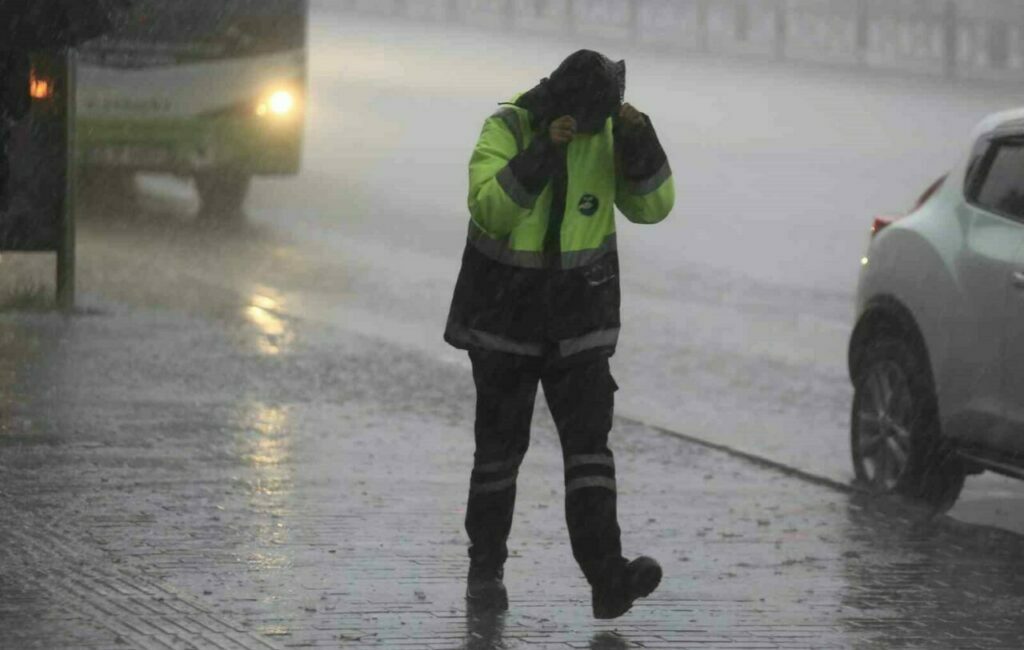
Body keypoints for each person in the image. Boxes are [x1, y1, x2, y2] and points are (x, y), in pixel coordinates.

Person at [444, 49, 675, 619]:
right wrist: (544, 149)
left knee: (590, 454)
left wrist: (639, 138)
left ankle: (608, 579)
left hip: (579, 327)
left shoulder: (605, 135)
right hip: (505, 325)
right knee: (499, 454)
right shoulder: (508, 126)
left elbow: (654, 206)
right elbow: (491, 209)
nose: (593, 130)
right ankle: (486, 566)